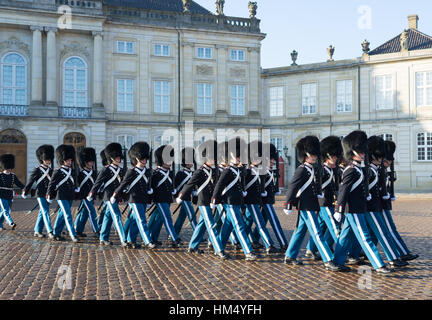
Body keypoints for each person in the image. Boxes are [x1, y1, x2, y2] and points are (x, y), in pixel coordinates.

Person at [333, 131, 393, 274]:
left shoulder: (359, 169)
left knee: (345, 237)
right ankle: (378, 264)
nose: (363, 154)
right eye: (360, 151)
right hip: (353, 210)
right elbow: (343, 191)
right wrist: (338, 209)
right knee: (365, 238)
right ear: (353, 151)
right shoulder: (351, 170)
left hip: (358, 208)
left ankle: (337, 261)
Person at [283, 136, 345, 271]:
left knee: (299, 231)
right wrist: (287, 203)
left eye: (316, 154)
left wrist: (318, 192)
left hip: (312, 204)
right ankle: (328, 260)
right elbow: (293, 187)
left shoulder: (313, 168)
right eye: (312, 154)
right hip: (306, 206)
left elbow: (317, 184)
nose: (315, 156)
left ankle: (289, 255)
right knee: (317, 233)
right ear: (305, 155)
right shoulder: (302, 169)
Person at [177, 140, 227, 259]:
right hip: (203, 201)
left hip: (210, 201)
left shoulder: (214, 170)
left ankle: (192, 246)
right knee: (211, 225)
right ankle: (218, 249)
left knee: (202, 224)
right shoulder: (199, 172)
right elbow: (189, 185)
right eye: (212, 158)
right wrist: (181, 196)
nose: (214, 160)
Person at [212, 137, 257, 261]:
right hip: (230, 202)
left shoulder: (238, 169)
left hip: (237, 201)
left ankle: (218, 247)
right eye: (237, 156)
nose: (239, 158)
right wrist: (215, 199)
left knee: (228, 225)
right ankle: (248, 251)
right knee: (239, 225)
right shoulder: (227, 171)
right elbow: (219, 185)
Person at [305, 136, 343, 260]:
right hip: (324, 202)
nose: (336, 158)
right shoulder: (321, 170)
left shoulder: (332, 169)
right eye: (334, 156)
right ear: (328, 156)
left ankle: (311, 249)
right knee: (334, 226)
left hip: (329, 202)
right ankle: (343, 250)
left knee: (321, 226)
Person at [112, 141, 156, 249]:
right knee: (142, 220)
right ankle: (147, 241)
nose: (145, 160)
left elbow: (147, 185)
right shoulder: (131, 171)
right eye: (142, 159)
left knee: (133, 220)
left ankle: (130, 239)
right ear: (137, 158)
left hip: (143, 199)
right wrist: (115, 194)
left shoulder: (147, 171)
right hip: (134, 198)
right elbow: (123, 184)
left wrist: (150, 195)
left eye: (145, 158)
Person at [381, 140, 419, 261]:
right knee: (390, 229)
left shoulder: (384, 170)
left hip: (382, 204)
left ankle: (355, 253)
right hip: (378, 205)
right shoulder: (377, 171)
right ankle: (402, 253)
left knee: (375, 232)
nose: (390, 162)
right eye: (388, 160)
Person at [88, 143, 127, 247]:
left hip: (116, 196)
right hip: (108, 196)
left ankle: (103, 238)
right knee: (117, 216)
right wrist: (92, 193)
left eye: (119, 157)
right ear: (111, 158)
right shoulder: (106, 169)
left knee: (108, 218)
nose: (118, 159)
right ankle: (124, 239)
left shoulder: (121, 170)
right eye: (117, 157)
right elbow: (98, 183)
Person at [243, 140, 278, 255]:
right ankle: (269, 245)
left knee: (248, 223)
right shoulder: (247, 171)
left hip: (256, 200)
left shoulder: (259, 170)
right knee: (260, 223)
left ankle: (242, 240)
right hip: (250, 201)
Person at [251, 143, 288, 251]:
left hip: (268, 200)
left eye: (273, 159)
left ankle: (255, 240)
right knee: (274, 222)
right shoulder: (262, 171)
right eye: (271, 159)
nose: (273, 161)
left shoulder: (269, 171)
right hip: (265, 201)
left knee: (260, 221)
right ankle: (283, 243)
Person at [147, 144, 180, 247]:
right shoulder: (155, 173)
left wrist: (174, 191)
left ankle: (153, 237)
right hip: (159, 199)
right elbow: (151, 186)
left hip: (167, 199)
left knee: (157, 219)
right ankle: (174, 238)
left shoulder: (170, 172)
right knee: (167, 218)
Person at [46, 145, 79, 242]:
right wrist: (49, 195)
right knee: (68, 214)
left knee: (61, 214)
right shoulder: (58, 171)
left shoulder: (72, 171)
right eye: (67, 160)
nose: (69, 162)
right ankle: (73, 234)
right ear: (63, 160)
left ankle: (56, 233)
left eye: (70, 160)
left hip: (70, 195)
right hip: (61, 195)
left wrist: (77, 189)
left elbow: (74, 182)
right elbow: (51, 185)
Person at [23, 145, 55, 239]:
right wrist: (25, 191)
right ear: (42, 159)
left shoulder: (51, 170)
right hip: (40, 193)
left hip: (48, 194)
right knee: (46, 212)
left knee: (42, 212)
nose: (48, 161)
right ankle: (50, 231)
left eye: (49, 160)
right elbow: (30, 181)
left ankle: (37, 231)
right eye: (46, 160)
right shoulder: (37, 170)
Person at [172, 147, 198, 239]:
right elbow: (176, 186)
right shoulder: (180, 173)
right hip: (182, 197)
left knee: (181, 218)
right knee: (192, 215)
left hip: (188, 197)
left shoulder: (192, 173)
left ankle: (174, 234)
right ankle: (197, 234)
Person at [74, 147, 99, 237]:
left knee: (83, 213)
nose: (91, 163)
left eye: (92, 161)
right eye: (89, 161)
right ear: (85, 162)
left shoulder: (94, 172)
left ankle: (78, 230)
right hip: (84, 195)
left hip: (91, 196)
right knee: (92, 212)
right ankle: (96, 231)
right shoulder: (80, 173)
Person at [0, 154, 24, 231]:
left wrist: (26, 189)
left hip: (9, 195)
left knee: (3, 211)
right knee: (6, 210)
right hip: (1, 195)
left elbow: (19, 184)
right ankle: (11, 223)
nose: (10, 169)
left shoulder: (13, 176)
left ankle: (0, 224)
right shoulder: (0, 175)